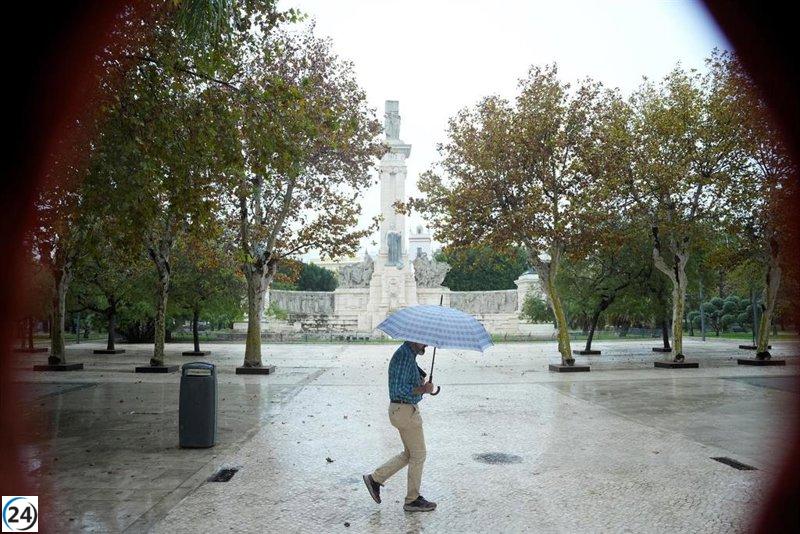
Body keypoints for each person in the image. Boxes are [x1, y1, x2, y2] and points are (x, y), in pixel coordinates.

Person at [363, 340, 437, 512]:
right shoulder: (404, 357)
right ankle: (412, 500)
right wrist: (424, 389)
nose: (426, 345)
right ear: (414, 338)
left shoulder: (408, 356)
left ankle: (375, 479)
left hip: (402, 409)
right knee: (419, 455)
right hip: (405, 410)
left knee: (409, 454)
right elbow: (400, 390)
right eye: (423, 341)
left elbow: (406, 385)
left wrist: (420, 382)